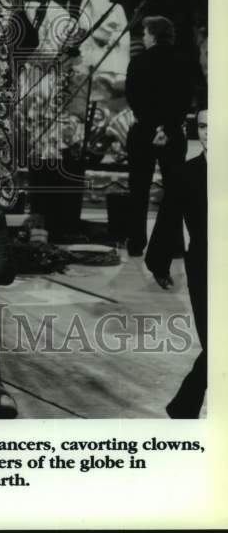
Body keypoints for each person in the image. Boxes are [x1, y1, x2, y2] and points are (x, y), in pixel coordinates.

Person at [145, 105, 207, 417]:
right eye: (204, 127)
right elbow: (168, 218)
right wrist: (158, 262)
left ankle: (184, 407)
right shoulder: (186, 173)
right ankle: (184, 406)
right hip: (204, 266)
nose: (211, 134)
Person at [124, 15, 191, 257]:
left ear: (153, 34)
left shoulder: (138, 62)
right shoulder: (184, 62)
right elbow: (186, 99)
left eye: (145, 33)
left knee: (138, 189)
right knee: (173, 190)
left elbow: (132, 96)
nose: (143, 37)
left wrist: (153, 126)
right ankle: (173, 245)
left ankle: (136, 243)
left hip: (144, 131)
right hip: (173, 131)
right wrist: (166, 126)